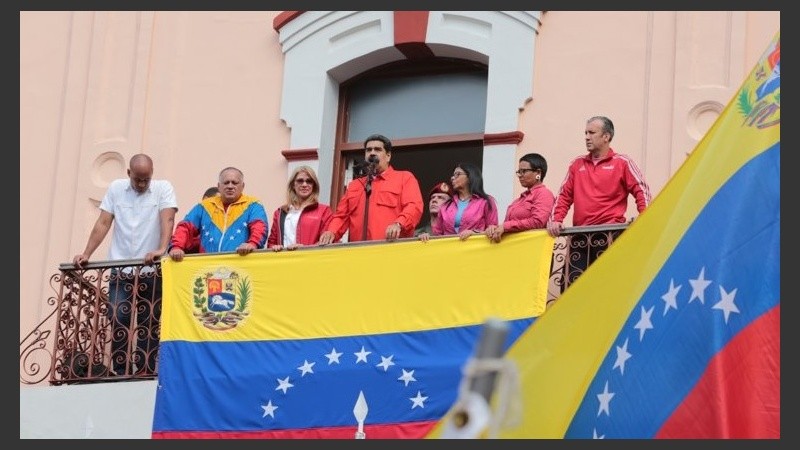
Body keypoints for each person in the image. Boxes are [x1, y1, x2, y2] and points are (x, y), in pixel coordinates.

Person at [72, 153, 178, 377]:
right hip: (121, 270)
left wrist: (161, 249)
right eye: (137, 179)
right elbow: (103, 223)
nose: (141, 184)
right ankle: (120, 370)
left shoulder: (163, 188)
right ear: (129, 173)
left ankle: (145, 369)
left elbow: (167, 219)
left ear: (152, 175)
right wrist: (86, 253)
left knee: (149, 321)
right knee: (119, 318)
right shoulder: (116, 189)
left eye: (146, 179)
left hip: (152, 270)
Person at [546, 115, 651, 283]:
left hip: (610, 236)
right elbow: (564, 195)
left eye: (591, 132)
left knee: (609, 286)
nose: (586, 137)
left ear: (606, 137)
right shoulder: (577, 164)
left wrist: (645, 216)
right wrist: (555, 220)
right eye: (585, 133)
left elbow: (641, 189)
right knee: (572, 289)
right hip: (579, 237)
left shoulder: (622, 162)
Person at [318, 134, 423, 244]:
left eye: (377, 149)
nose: (372, 153)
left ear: (388, 156)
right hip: (360, 253)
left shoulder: (404, 178)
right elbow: (341, 216)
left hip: (392, 250)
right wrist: (331, 232)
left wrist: (398, 224)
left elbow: (414, 206)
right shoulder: (355, 185)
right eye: (368, 150)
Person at [168, 167, 268, 261]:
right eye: (226, 182)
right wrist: (177, 247)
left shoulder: (253, 205)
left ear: (242, 186)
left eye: (234, 183)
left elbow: (260, 227)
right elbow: (185, 227)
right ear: (219, 186)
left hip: (240, 265)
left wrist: (252, 243)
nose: (230, 186)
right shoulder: (204, 206)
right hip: (208, 267)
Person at [485, 153, 555, 243]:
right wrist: (495, 228)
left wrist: (506, 226)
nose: (520, 175)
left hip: (532, 247)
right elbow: (507, 226)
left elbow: (538, 222)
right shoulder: (518, 200)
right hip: (514, 247)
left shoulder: (544, 193)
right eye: (519, 172)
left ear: (538, 173)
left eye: (524, 171)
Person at [267, 165, 333, 251]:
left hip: (309, 261)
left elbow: (327, 242)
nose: (304, 184)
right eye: (300, 181)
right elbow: (271, 242)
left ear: (314, 186)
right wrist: (274, 247)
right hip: (284, 262)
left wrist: (304, 249)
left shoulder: (324, 211)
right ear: (293, 185)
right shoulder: (280, 212)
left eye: (309, 181)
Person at [429, 162, 498, 241]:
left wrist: (474, 233)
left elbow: (493, 230)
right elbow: (437, 235)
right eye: (453, 175)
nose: (452, 178)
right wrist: (426, 236)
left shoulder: (486, 202)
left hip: (475, 250)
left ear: (470, 177)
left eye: (457, 174)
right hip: (449, 251)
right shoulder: (446, 206)